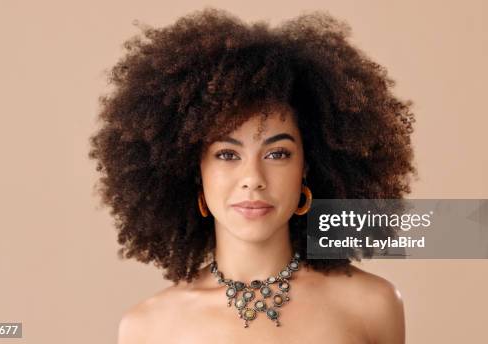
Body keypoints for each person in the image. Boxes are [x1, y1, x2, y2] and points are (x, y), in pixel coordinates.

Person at [89, 7, 415, 343]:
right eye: (227, 155)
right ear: (194, 169)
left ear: (307, 165)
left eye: (277, 154)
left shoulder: (371, 306)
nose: (253, 178)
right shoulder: (147, 328)